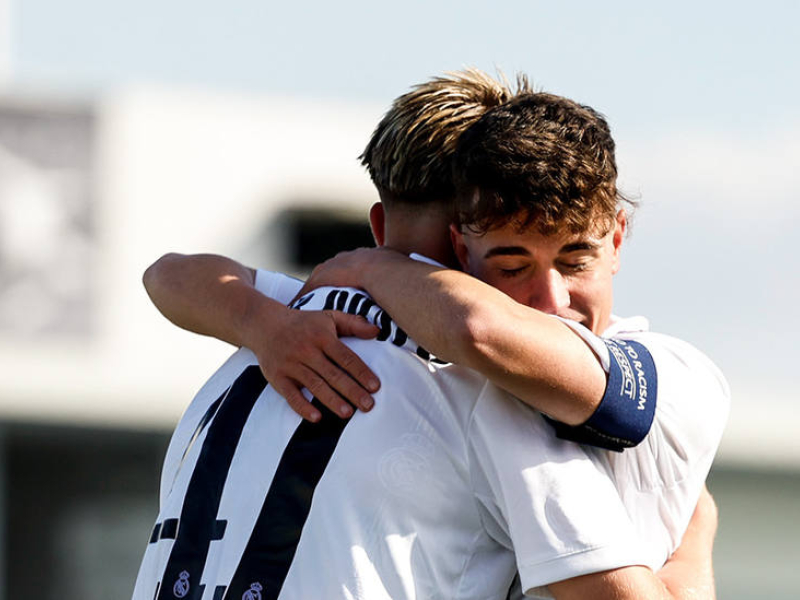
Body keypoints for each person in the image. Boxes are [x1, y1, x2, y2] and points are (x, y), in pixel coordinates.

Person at [136, 71, 723, 599]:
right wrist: (696, 547)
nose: (547, 303)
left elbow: (166, 274)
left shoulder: (296, 312)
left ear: (378, 225)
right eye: (511, 261)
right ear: (466, 243)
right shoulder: (488, 385)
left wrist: (268, 319)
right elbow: (480, 329)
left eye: (572, 259)